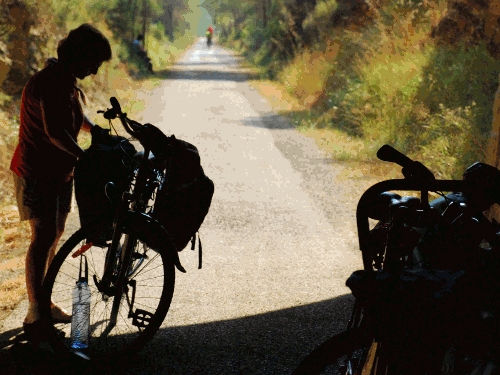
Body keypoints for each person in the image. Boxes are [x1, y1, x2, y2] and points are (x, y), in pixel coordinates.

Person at [9, 23, 111, 343]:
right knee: (42, 239)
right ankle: (35, 314)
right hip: (36, 171)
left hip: (59, 171)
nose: (93, 72)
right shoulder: (49, 82)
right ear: (80, 56)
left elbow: (75, 118)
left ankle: (44, 301)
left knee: (54, 234)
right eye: (93, 63)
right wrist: (85, 156)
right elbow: (55, 132)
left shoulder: (65, 80)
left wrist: (94, 131)